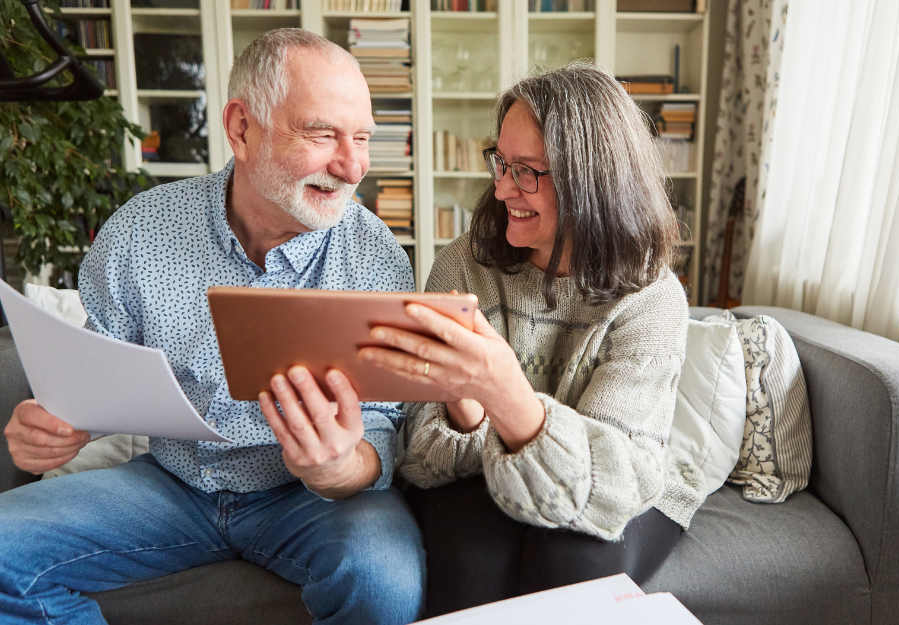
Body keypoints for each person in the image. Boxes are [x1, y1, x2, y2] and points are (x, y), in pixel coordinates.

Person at [0, 29, 423, 625]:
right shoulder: (140, 230)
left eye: (361, 139)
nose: (352, 166)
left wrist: (340, 469)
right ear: (241, 128)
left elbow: (384, 425)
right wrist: (57, 426)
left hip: (308, 501)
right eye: (322, 134)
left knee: (383, 580)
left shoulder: (374, 255)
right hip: (171, 487)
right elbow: (96, 380)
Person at [358, 62, 708, 617]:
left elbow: (613, 484)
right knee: (469, 557)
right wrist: (469, 412)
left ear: (590, 179)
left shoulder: (651, 295)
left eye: (526, 171)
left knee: (572, 564)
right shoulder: (463, 267)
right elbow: (421, 458)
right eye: (500, 162)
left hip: (621, 487)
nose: (501, 189)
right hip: (482, 475)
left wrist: (504, 393)